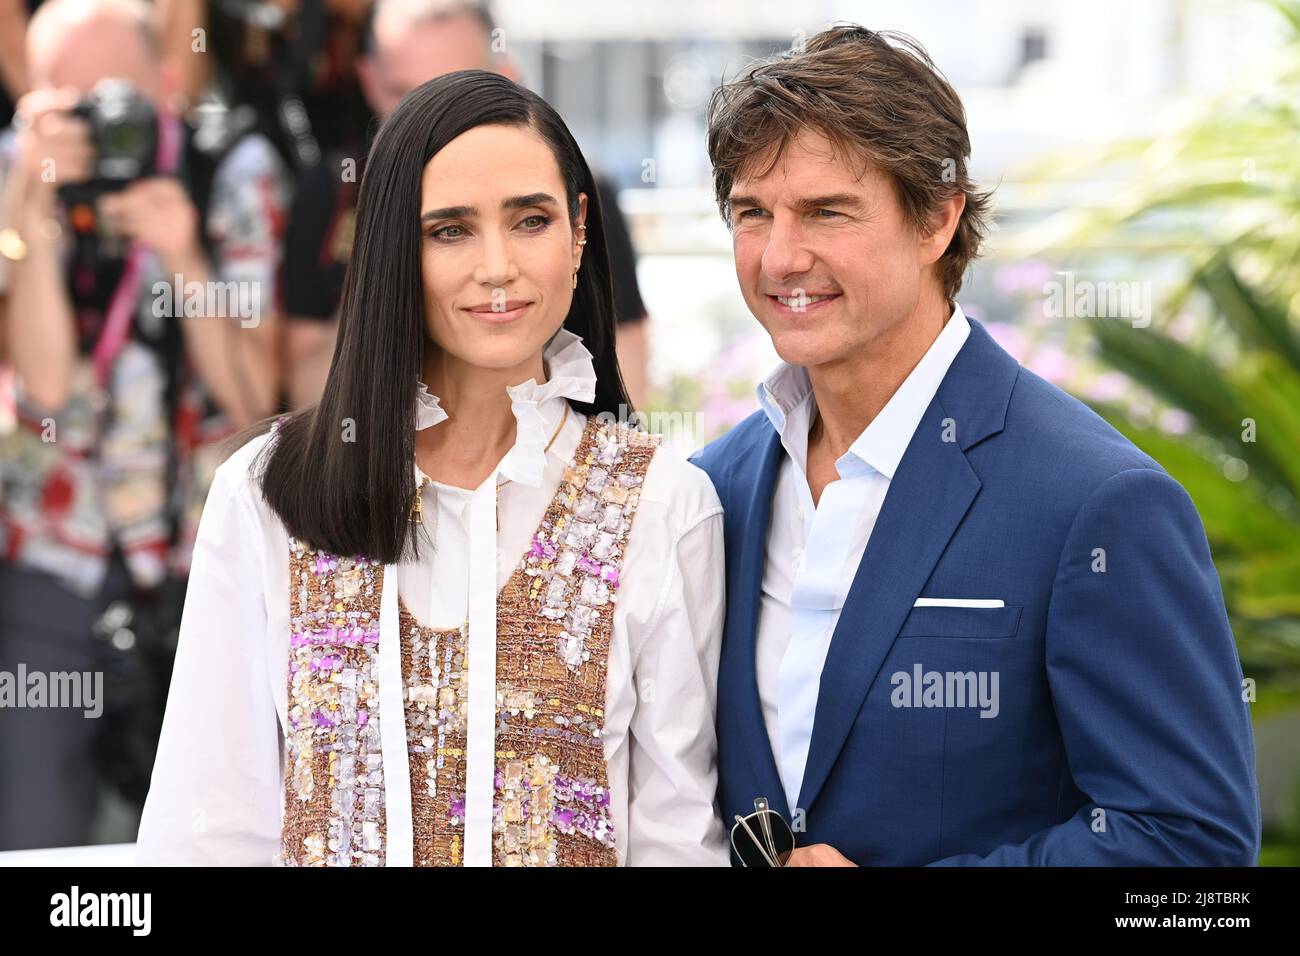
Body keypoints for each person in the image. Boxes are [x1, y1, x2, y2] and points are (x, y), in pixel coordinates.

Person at [691, 25, 1260, 866]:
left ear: (937, 219)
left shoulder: (1098, 502)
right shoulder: (715, 487)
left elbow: (1193, 852)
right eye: (752, 213)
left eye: (826, 212)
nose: (780, 256)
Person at [135, 69, 728, 866]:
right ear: (391, 245)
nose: (497, 267)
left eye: (530, 220)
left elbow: (676, 838)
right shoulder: (266, 492)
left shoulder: (665, 500)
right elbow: (206, 830)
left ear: (580, 229)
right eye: (450, 229)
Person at [0, 0, 288, 849]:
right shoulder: (15, 174)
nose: (97, 125)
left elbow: (251, 397)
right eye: (67, 101)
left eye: (113, 96)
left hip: (205, 560)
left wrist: (186, 255)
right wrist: (32, 226)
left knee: (210, 837)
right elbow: (47, 387)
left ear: (165, 83)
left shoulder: (224, 166)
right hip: (55, 560)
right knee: (37, 836)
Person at [280, 0, 649, 410]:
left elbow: (627, 375)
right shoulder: (333, 192)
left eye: (530, 221)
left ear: (506, 78)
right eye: (449, 231)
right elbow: (308, 394)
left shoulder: (575, 183)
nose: (435, 124)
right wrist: (383, 274)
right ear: (368, 81)